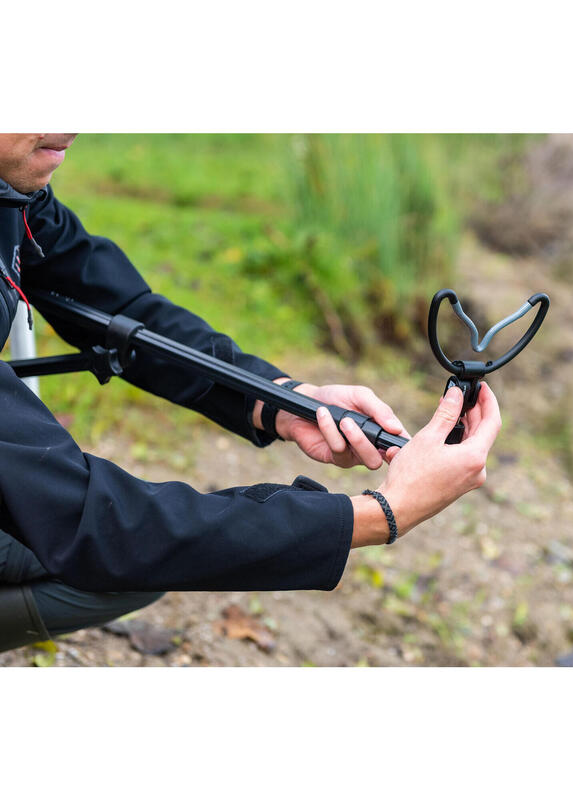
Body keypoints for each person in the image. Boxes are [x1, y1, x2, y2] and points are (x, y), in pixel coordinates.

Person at [0, 134, 502, 653]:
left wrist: (282, 400)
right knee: (130, 555)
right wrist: (380, 514)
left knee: (142, 564)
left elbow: (125, 312)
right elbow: (99, 523)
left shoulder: (13, 193)